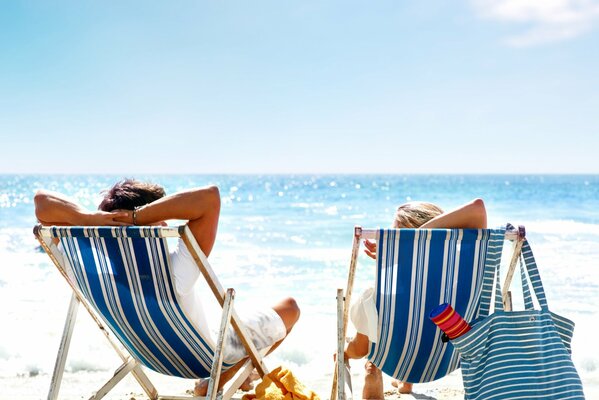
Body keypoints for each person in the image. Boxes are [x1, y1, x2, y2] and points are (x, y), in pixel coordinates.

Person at [34, 178, 301, 396]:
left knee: (238, 325)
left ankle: (219, 380)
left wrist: (90, 218)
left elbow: (41, 203)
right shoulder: (175, 273)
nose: (164, 223)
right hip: (205, 359)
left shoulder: (88, 270)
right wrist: (138, 218)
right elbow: (210, 198)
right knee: (290, 308)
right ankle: (217, 381)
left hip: (148, 357)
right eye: (161, 216)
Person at [343, 198, 487, 399]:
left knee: (377, 309)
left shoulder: (390, 296)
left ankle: (348, 355)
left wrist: (405, 247)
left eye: (398, 237)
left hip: (393, 356)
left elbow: (477, 205)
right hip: (443, 357)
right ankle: (406, 383)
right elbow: (477, 209)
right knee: (421, 304)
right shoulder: (460, 271)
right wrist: (405, 249)